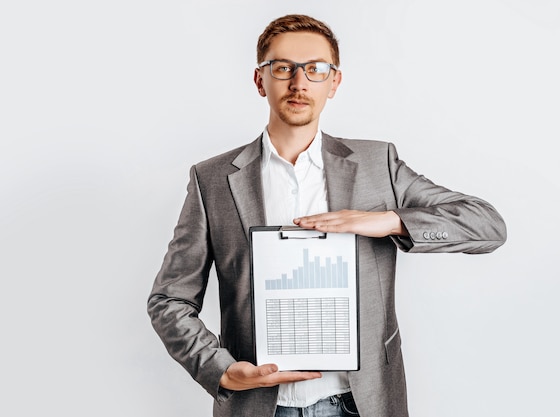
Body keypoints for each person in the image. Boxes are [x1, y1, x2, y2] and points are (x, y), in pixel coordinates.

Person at [148, 14, 506, 417]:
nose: (299, 83)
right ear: (260, 80)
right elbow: (169, 299)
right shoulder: (211, 179)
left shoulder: (377, 165)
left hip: (362, 404)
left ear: (333, 82)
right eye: (283, 68)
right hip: (261, 407)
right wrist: (222, 371)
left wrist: (390, 220)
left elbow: (488, 225)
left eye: (316, 69)